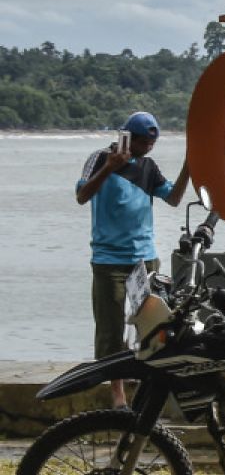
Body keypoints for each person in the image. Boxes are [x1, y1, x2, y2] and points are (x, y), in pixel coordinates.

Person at [76, 112, 190, 409]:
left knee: (152, 326)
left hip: (145, 260)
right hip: (109, 260)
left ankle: (145, 384)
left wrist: (189, 167)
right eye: (141, 141)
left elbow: (174, 198)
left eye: (151, 142)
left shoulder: (149, 167)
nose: (147, 147)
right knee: (111, 327)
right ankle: (117, 394)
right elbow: (82, 195)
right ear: (126, 136)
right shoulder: (100, 158)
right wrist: (110, 168)